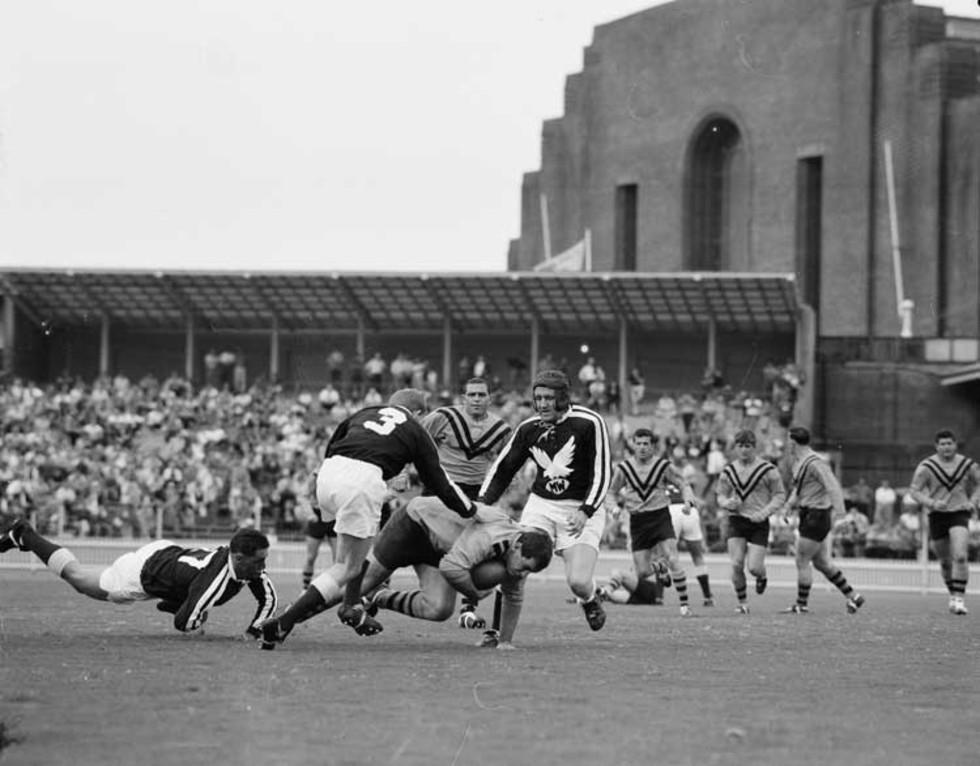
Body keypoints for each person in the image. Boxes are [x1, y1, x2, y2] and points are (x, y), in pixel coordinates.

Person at [260, 388, 479, 643]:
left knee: (352, 558)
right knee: (346, 567)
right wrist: (471, 511)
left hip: (329, 474)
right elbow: (440, 482)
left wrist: (320, 487)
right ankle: (283, 623)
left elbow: (334, 442)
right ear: (418, 413)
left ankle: (351, 607)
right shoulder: (416, 429)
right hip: (361, 482)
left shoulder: (365, 413)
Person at [479, 369, 612, 631]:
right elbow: (503, 468)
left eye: (549, 398)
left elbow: (603, 472)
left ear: (563, 397)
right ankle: (494, 632)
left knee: (578, 582)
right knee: (515, 566)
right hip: (542, 505)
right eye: (538, 398)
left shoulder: (590, 422)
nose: (542, 404)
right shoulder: (528, 428)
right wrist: (482, 504)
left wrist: (585, 511)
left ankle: (589, 598)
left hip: (583, 508)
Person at [0, 521, 276, 636]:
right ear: (239, 558)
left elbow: (269, 599)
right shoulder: (215, 580)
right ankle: (25, 535)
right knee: (79, 578)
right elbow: (183, 624)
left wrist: (252, 633)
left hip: (167, 552)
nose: (263, 566)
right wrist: (198, 625)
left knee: (198, 605)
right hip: (142, 573)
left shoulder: (241, 563)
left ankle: (173, 599)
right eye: (259, 560)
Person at [421, 376, 512, 625]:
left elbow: (507, 465)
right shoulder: (444, 417)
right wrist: (402, 472)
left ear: (489, 399)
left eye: (481, 394)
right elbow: (414, 440)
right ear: (463, 398)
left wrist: (502, 491)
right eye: (471, 394)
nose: (476, 399)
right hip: (440, 489)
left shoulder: (502, 429)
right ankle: (376, 588)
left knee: (475, 550)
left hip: (476, 495)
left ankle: (467, 608)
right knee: (415, 540)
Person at [606, 428, 699, 616]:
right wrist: (613, 507)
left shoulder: (663, 466)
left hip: (660, 517)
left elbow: (683, 483)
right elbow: (610, 492)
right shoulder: (624, 468)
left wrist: (688, 500)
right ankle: (659, 567)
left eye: (646, 444)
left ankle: (685, 606)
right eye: (638, 443)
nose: (641, 447)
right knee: (642, 572)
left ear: (653, 446)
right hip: (638, 522)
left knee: (673, 557)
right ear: (633, 444)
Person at [780, 426, 865, 614]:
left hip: (816, 515)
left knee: (802, 560)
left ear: (793, 441)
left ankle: (801, 604)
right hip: (810, 514)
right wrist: (788, 506)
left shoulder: (816, 463)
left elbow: (833, 486)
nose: (787, 444)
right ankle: (853, 597)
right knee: (821, 563)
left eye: (788, 440)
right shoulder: (799, 462)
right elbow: (799, 489)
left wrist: (842, 515)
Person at [907, 429, 980, 615]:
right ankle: (952, 595)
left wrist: (972, 502)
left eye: (949, 443)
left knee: (961, 556)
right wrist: (932, 503)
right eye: (942, 444)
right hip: (937, 515)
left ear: (955, 445)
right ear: (936, 446)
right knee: (946, 562)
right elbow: (914, 491)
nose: (946, 447)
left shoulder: (967, 464)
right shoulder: (927, 466)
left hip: (959, 513)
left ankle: (959, 599)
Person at [715, 429, 786, 614]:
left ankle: (762, 576)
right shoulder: (729, 470)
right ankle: (743, 603)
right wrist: (726, 503)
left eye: (747, 446)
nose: (744, 450)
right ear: (735, 447)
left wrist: (765, 512)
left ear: (754, 447)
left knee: (753, 567)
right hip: (736, 520)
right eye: (740, 446)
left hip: (758, 523)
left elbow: (779, 495)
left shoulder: (768, 469)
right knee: (736, 564)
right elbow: (720, 495)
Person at [666, 482, 714, 606]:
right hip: (690, 511)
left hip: (671, 510)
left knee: (668, 556)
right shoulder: (681, 482)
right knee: (697, 557)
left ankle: (659, 597)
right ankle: (707, 596)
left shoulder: (658, 480)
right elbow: (701, 503)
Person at [597, 566, 664, 605]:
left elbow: (661, 569)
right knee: (611, 596)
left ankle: (607, 589)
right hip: (644, 598)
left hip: (651, 590)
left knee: (620, 574)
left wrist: (658, 596)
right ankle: (601, 592)